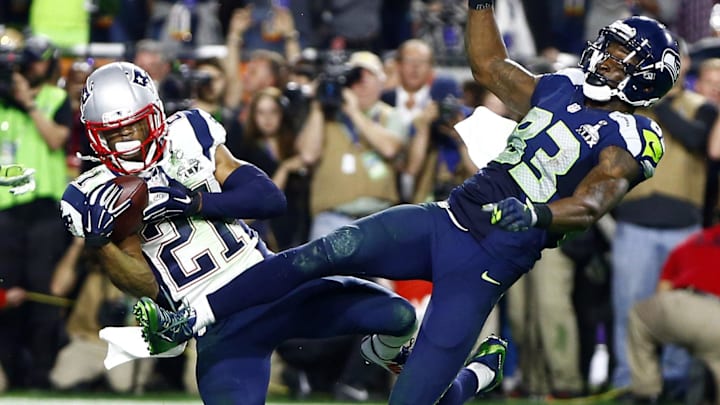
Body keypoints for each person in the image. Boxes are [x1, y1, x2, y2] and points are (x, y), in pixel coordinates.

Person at [135, 4, 680, 404]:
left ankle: (473, 380)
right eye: (608, 46)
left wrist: (539, 214)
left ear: (648, 73)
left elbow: (591, 203)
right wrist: (481, 5)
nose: (605, 57)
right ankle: (194, 314)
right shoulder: (559, 86)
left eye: (621, 54)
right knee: (318, 254)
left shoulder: (633, 134)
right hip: (448, 218)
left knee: (412, 402)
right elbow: (490, 66)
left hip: (489, 262)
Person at [60, 61, 505, 404]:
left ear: (155, 114)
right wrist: (102, 245)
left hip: (272, 284)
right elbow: (146, 286)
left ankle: (386, 355)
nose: (131, 141)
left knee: (398, 317)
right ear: (97, 137)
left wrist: (193, 201)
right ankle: (460, 382)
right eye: (116, 133)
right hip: (214, 325)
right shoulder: (88, 194)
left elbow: (267, 197)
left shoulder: (189, 133)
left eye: (137, 125)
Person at [626, 224, 720, 404]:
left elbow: (663, 289)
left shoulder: (694, 239)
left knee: (640, 316)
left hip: (682, 305)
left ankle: (646, 393)